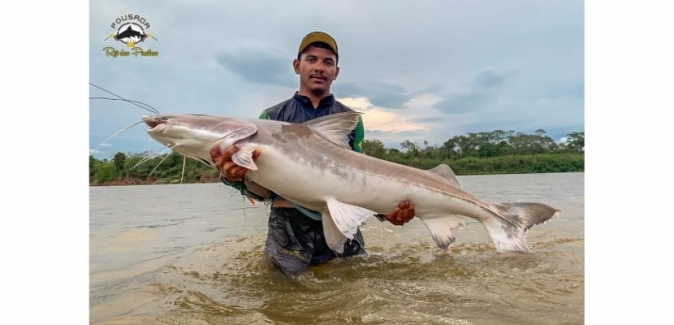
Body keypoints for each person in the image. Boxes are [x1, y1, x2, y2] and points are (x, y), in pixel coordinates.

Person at [215, 31, 415, 275]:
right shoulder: (271, 118)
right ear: (297, 66)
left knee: (351, 298)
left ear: (336, 72)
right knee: (285, 303)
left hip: (342, 223)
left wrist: (387, 213)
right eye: (312, 59)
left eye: (327, 62)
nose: (319, 67)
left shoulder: (350, 121)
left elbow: (360, 180)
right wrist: (234, 177)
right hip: (288, 227)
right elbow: (264, 190)